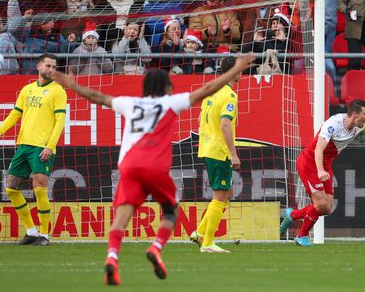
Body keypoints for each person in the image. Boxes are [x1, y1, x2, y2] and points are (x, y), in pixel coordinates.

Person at [52, 53, 253, 285]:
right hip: (155, 166)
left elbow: (97, 96)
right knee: (171, 212)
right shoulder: (170, 103)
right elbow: (207, 88)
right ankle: (158, 247)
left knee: (122, 217)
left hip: (128, 165)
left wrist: (73, 85)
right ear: (167, 87)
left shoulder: (130, 103)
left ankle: (112, 257)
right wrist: (233, 69)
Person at [279, 100, 365, 246]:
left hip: (325, 165)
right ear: (355, 114)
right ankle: (302, 236)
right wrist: (320, 170)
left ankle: (291, 215)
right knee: (321, 204)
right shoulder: (333, 124)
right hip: (310, 163)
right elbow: (318, 149)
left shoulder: (359, 126)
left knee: (327, 208)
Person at [0, 53, 67, 246]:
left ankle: (44, 235)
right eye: (48, 66)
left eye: (54, 67)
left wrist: (50, 146)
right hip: (23, 145)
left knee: (39, 189)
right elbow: (16, 113)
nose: (51, 69)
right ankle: (31, 232)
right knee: (11, 188)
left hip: (42, 147)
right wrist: (0, 130)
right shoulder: (27, 89)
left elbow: (60, 122)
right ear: (39, 66)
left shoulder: (58, 91)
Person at [189, 56, 243, 253]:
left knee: (227, 193)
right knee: (220, 195)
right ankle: (208, 243)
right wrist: (233, 153)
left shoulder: (212, 91)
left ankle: (200, 233)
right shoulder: (229, 95)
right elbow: (225, 124)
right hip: (219, 150)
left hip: (207, 147)